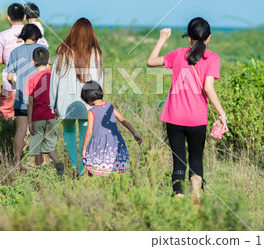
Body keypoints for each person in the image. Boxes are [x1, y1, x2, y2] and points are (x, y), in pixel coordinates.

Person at [147, 17, 229, 200]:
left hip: (174, 117)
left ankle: (178, 195)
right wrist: (222, 113)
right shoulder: (213, 58)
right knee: (196, 159)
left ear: (189, 38)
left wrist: (161, 39)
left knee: (178, 160)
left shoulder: (177, 54)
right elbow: (208, 88)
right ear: (208, 38)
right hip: (197, 119)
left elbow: (151, 61)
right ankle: (196, 194)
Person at [49, 18, 103, 177]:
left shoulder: (62, 51)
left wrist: (52, 102)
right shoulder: (95, 53)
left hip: (66, 101)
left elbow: (55, 79)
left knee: (68, 131)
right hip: (88, 101)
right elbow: (99, 80)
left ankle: (76, 166)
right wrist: (99, 101)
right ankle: (84, 167)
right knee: (87, 132)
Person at [80, 81, 142, 176]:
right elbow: (122, 119)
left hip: (99, 145)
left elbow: (89, 131)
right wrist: (134, 133)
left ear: (87, 98)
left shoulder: (91, 112)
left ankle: (96, 188)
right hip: (115, 142)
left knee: (94, 169)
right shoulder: (109, 106)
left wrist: (84, 148)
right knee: (115, 171)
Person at [6, 23, 47, 169]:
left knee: (20, 131)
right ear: (37, 36)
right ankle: (38, 164)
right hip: (40, 99)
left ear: (23, 36)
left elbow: (10, 77)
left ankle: (17, 163)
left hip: (22, 97)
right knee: (39, 132)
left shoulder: (15, 52)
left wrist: (15, 86)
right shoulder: (43, 50)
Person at [25, 47, 64, 175]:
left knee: (37, 147)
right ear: (48, 61)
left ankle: (39, 172)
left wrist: (29, 121)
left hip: (37, 116)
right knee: (50, 145)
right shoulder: (53, 77)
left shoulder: (31, 79)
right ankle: (57, 162)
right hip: (51, 116)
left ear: (32, 61)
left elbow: (30, 102)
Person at [0, 3, 25, 120]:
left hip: (9, 80)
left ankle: (7, 133)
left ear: (8, 17)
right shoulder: (32, 33)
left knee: (6, 109)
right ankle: (25, 136)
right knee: (26, 112)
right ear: (25, 17)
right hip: (27, 80)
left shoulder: (2, 35)